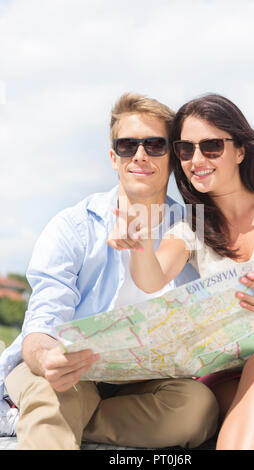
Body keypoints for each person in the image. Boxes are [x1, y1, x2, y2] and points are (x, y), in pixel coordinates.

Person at [0, 93, 219, 450]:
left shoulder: (193, 229)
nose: (141, 155)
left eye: (155, 145)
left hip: (147, 381)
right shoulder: (73, 227)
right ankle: (48, 411)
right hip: (70, 372)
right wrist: (47, 359)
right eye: (128, 144)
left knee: (199, 407)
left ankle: (63, 419)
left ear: (172, 157)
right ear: (113, 157)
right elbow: (41, 324)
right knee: (53, 389)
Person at [111, 93, 254, 450]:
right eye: (185, 149)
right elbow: (152, 278)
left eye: (211, 146)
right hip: (233, 376)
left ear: (240, 150)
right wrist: (139, 242)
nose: (196, 159)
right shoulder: (191, 226)